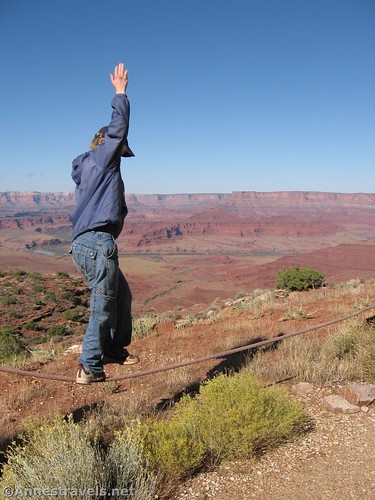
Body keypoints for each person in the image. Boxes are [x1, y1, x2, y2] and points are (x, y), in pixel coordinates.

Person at [70, 62, 138, 385]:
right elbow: (118, 128)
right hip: (97, 243)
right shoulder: (102, 159)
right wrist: (120, 93)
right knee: (104, 300)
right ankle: (89, 365)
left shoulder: (90, 170)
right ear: (108, 147)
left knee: (120, 294)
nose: (121, 156)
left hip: (86, 244)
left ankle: (111, 348)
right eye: (119, 151)